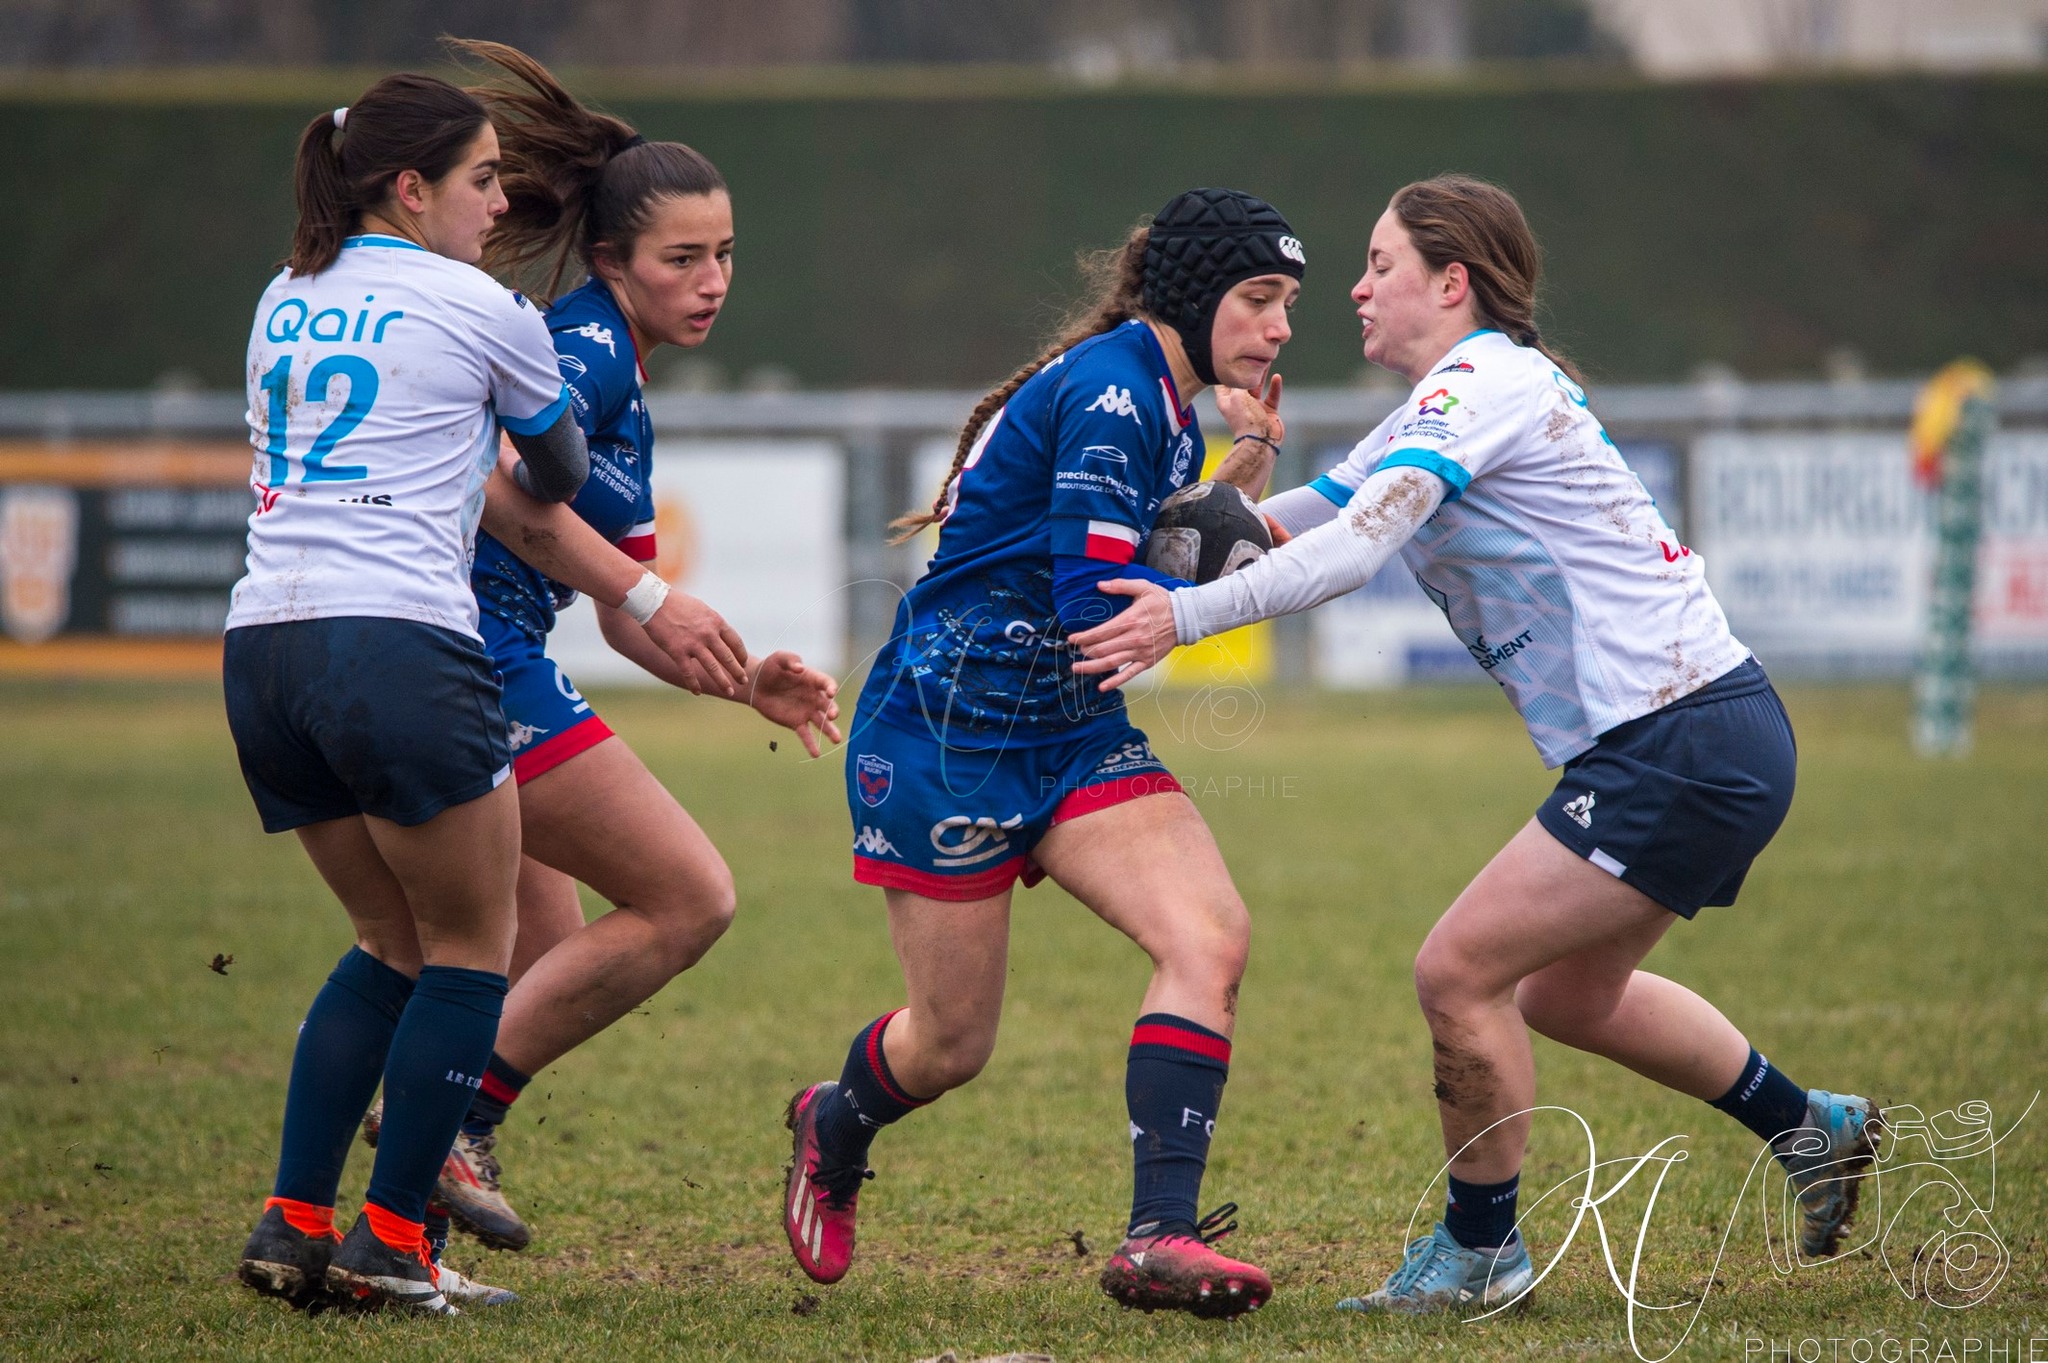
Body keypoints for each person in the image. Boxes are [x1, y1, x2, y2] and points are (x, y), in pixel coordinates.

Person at [1070, 174, 1880, 1315]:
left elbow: (1351, 552)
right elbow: (1269, 529)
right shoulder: (1445, 403)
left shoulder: (1483, 383)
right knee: (1562, 994)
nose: (1353, 288)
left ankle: (1479, 1254)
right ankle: (1807, 1127)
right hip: (1697, 730)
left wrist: (1179, 618)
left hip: (1676, 734)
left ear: (1452, 282)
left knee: (1455, 972)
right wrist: (1226, 472)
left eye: (1380, 265)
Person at [351, 41, 842, 1257]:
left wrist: (742, 681)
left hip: (486, 651)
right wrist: (648, 593)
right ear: (613, 261)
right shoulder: (577, 348)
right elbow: (505, 498)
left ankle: (393, 1232)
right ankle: (448, 1127)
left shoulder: (619, 363)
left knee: (534, 958)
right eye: (682, 257)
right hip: (468, 659)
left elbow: (620, 603)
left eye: (725, 253)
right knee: (686, 896)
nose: (712, 277)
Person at [782, 189, 1304, 1319]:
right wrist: (1240, 561)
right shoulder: (1117, 394)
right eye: (1259, 299)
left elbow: (1156, 544)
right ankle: (834, 1119)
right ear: (1197, 293)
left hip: (1067, 731)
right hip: (947, 737)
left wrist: (1247, 460)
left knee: (1206, 935)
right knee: (949, 1044)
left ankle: (1159, 1235)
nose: (1277, 328)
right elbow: (1097, 606)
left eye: (1285, 304)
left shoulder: (1159, 394)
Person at [225, 72, 594, 1315]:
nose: (498, 203)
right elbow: (559, 462)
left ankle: (291, 1220)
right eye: (482, 178)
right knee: (470, 951)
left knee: (387, 939)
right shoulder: (478, 300)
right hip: (397, 644)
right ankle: (390, 1238)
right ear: (410, 186)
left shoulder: (284, 295)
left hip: (263, 651)